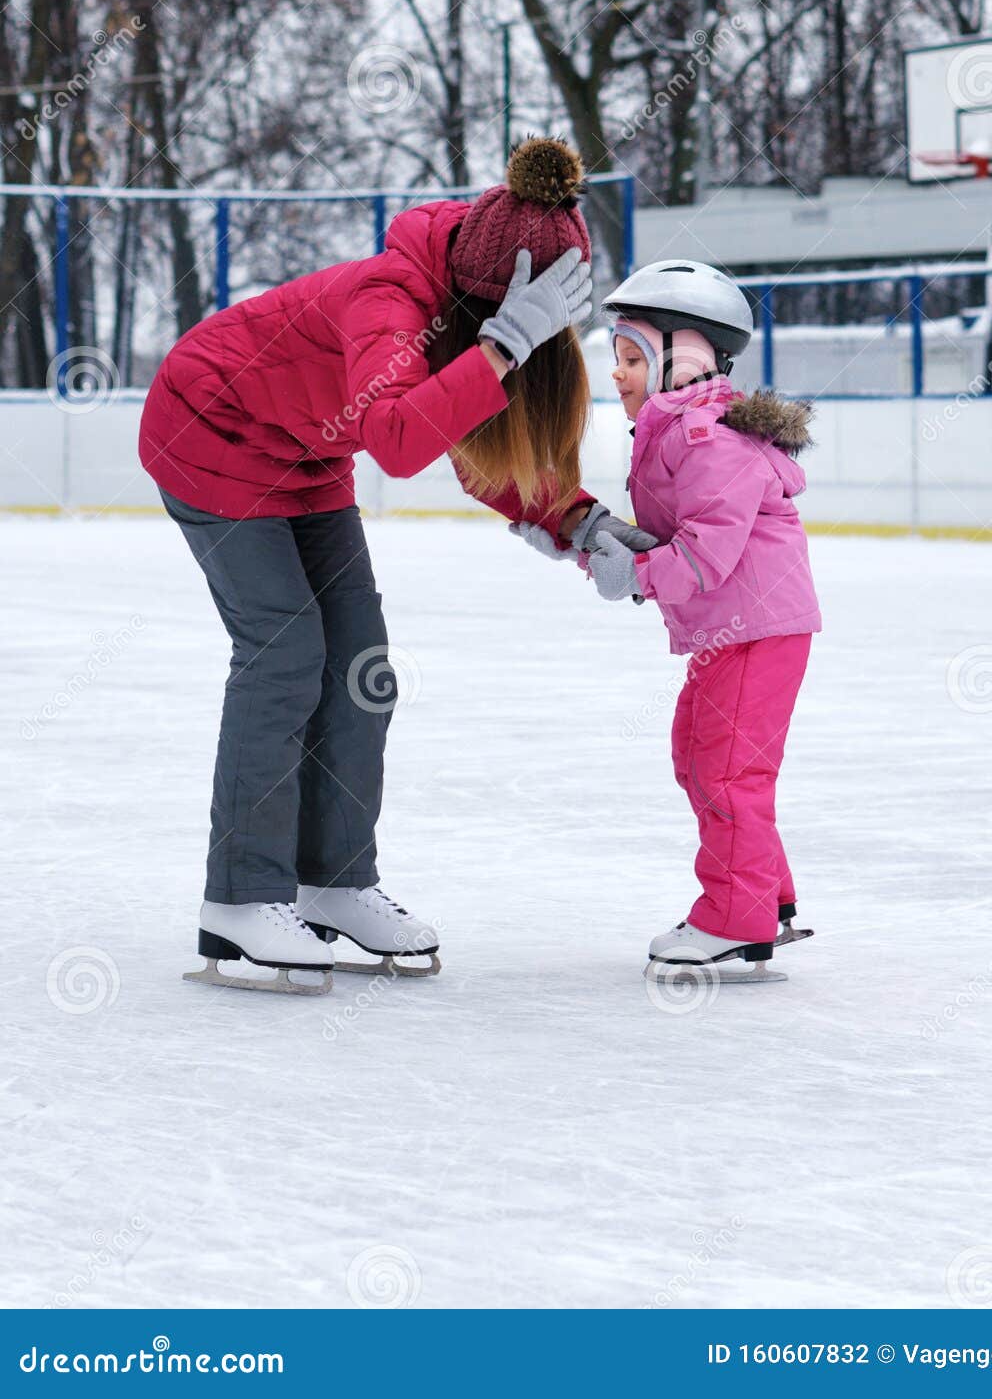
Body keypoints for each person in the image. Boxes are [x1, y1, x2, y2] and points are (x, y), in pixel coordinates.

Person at [139, 137, 648, 993]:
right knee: (285, 653)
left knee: (361, 664)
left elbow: (475, 439)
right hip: (210, 431)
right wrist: (500, 350)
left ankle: (333, 883)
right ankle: (239, 900)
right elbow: (399, 437)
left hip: (303, 457)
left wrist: (580, 520)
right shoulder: (390, 300)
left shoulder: (484, 305)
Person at [515, 259, 821, 983]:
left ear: (681, 358)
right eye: (615, 356)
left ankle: (733, 918)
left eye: (630, 357)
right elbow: (673, 543)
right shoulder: (679, 431)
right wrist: (587, 544)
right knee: (700, 757)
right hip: (736, 629)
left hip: (755, 629)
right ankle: (763, 895)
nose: (615, 374)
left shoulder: (709, 441)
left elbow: (704, 556)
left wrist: (629, 576)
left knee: (725, 771)